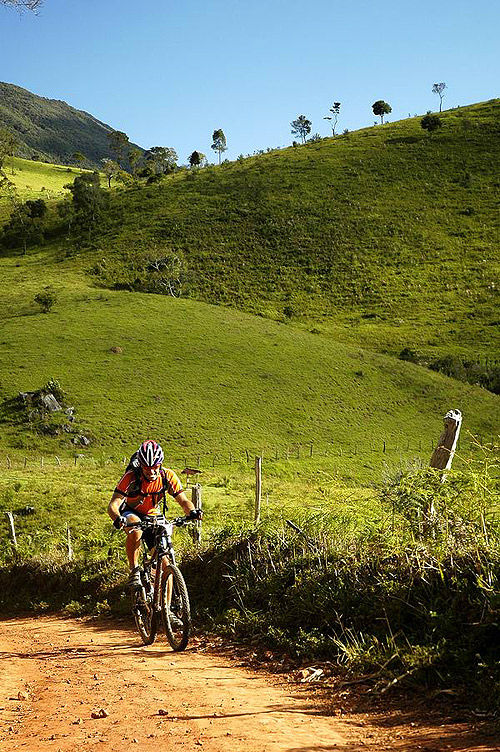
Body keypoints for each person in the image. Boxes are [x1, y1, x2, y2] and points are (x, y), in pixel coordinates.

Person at [108, 439, 202, 589]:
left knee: (166, 564)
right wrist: (117, 518)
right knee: (136, 532)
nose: (151, 472)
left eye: (155, 467)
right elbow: (114, 504)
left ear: (161, 464)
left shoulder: (167, 476)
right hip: (131, 512)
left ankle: (166, 609)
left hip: (153, 517)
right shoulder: (131, 477)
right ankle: (134, 570)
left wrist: (192, 511)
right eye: (146, 468)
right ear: (141, 466)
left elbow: (184, 501)